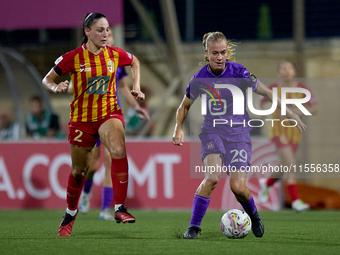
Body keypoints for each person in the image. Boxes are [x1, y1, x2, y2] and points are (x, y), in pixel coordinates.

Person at [172, 32, 306, 239]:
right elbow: (184, 105)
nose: (219, 57)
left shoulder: (239, 73)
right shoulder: (199, 78)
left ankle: (254, 215)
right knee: (212, 177)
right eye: (215, 53)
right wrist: (177, 128)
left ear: (227, 52)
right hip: (212, 132)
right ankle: (193, 227)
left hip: (239, 135)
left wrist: (290, 113)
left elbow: (268, 93)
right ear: (206, 53)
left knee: (238, 187)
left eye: (223, 52)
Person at [42, 12, 145, 237]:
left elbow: (135, 61)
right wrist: (55, 87)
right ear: (87, 32)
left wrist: (136, 86)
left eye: (107, 29)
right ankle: (70, 213)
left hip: (109, 114)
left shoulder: (114, 55)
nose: (105, 34)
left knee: (118, 150)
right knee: (80, 171)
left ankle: (119, 208)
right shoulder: (73, 58)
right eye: (100, 30)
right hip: (81, 121)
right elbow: (47, 79)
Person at [73, 29, 150, 220]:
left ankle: (105, 210)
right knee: (91, 166)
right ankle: (86, 193)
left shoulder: (115, 60)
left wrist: (136, 107)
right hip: (91, 117)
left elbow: (122, 86)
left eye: (111, 36)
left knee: (109, 161)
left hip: (111, 117)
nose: (107, 38)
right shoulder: (86, 59)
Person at [258, 60, 317, 212]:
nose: (286, 71)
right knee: (290, 164)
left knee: (285, 166)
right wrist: (265, 114)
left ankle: (267, 183)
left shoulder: (302, 89)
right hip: (278, 132)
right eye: (283, 68)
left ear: (294, 72)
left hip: (295, 134)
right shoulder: (273, 88)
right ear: (279, 73)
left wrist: (298, 111)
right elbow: (261, 102)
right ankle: (296, 201)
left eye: (289, 68)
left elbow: (314, 108)